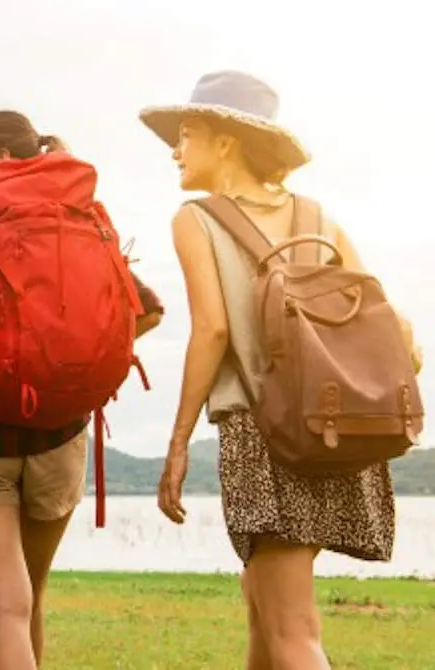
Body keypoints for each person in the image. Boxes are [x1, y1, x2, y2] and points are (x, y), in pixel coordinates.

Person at [142, 70, 420, 669]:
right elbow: (391, 326)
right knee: (266, 608)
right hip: (333, 429)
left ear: (226, 141)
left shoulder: (197, 220)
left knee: (293, 630)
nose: (174, 149)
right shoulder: (319, 218)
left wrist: (179, 439)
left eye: (186, 134)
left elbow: (212, 330)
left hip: (263, 434)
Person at [0, 110, 164, 670]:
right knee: (32, 596)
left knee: (6, 605)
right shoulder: (82, 221)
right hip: (61, 434)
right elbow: (146, 308)